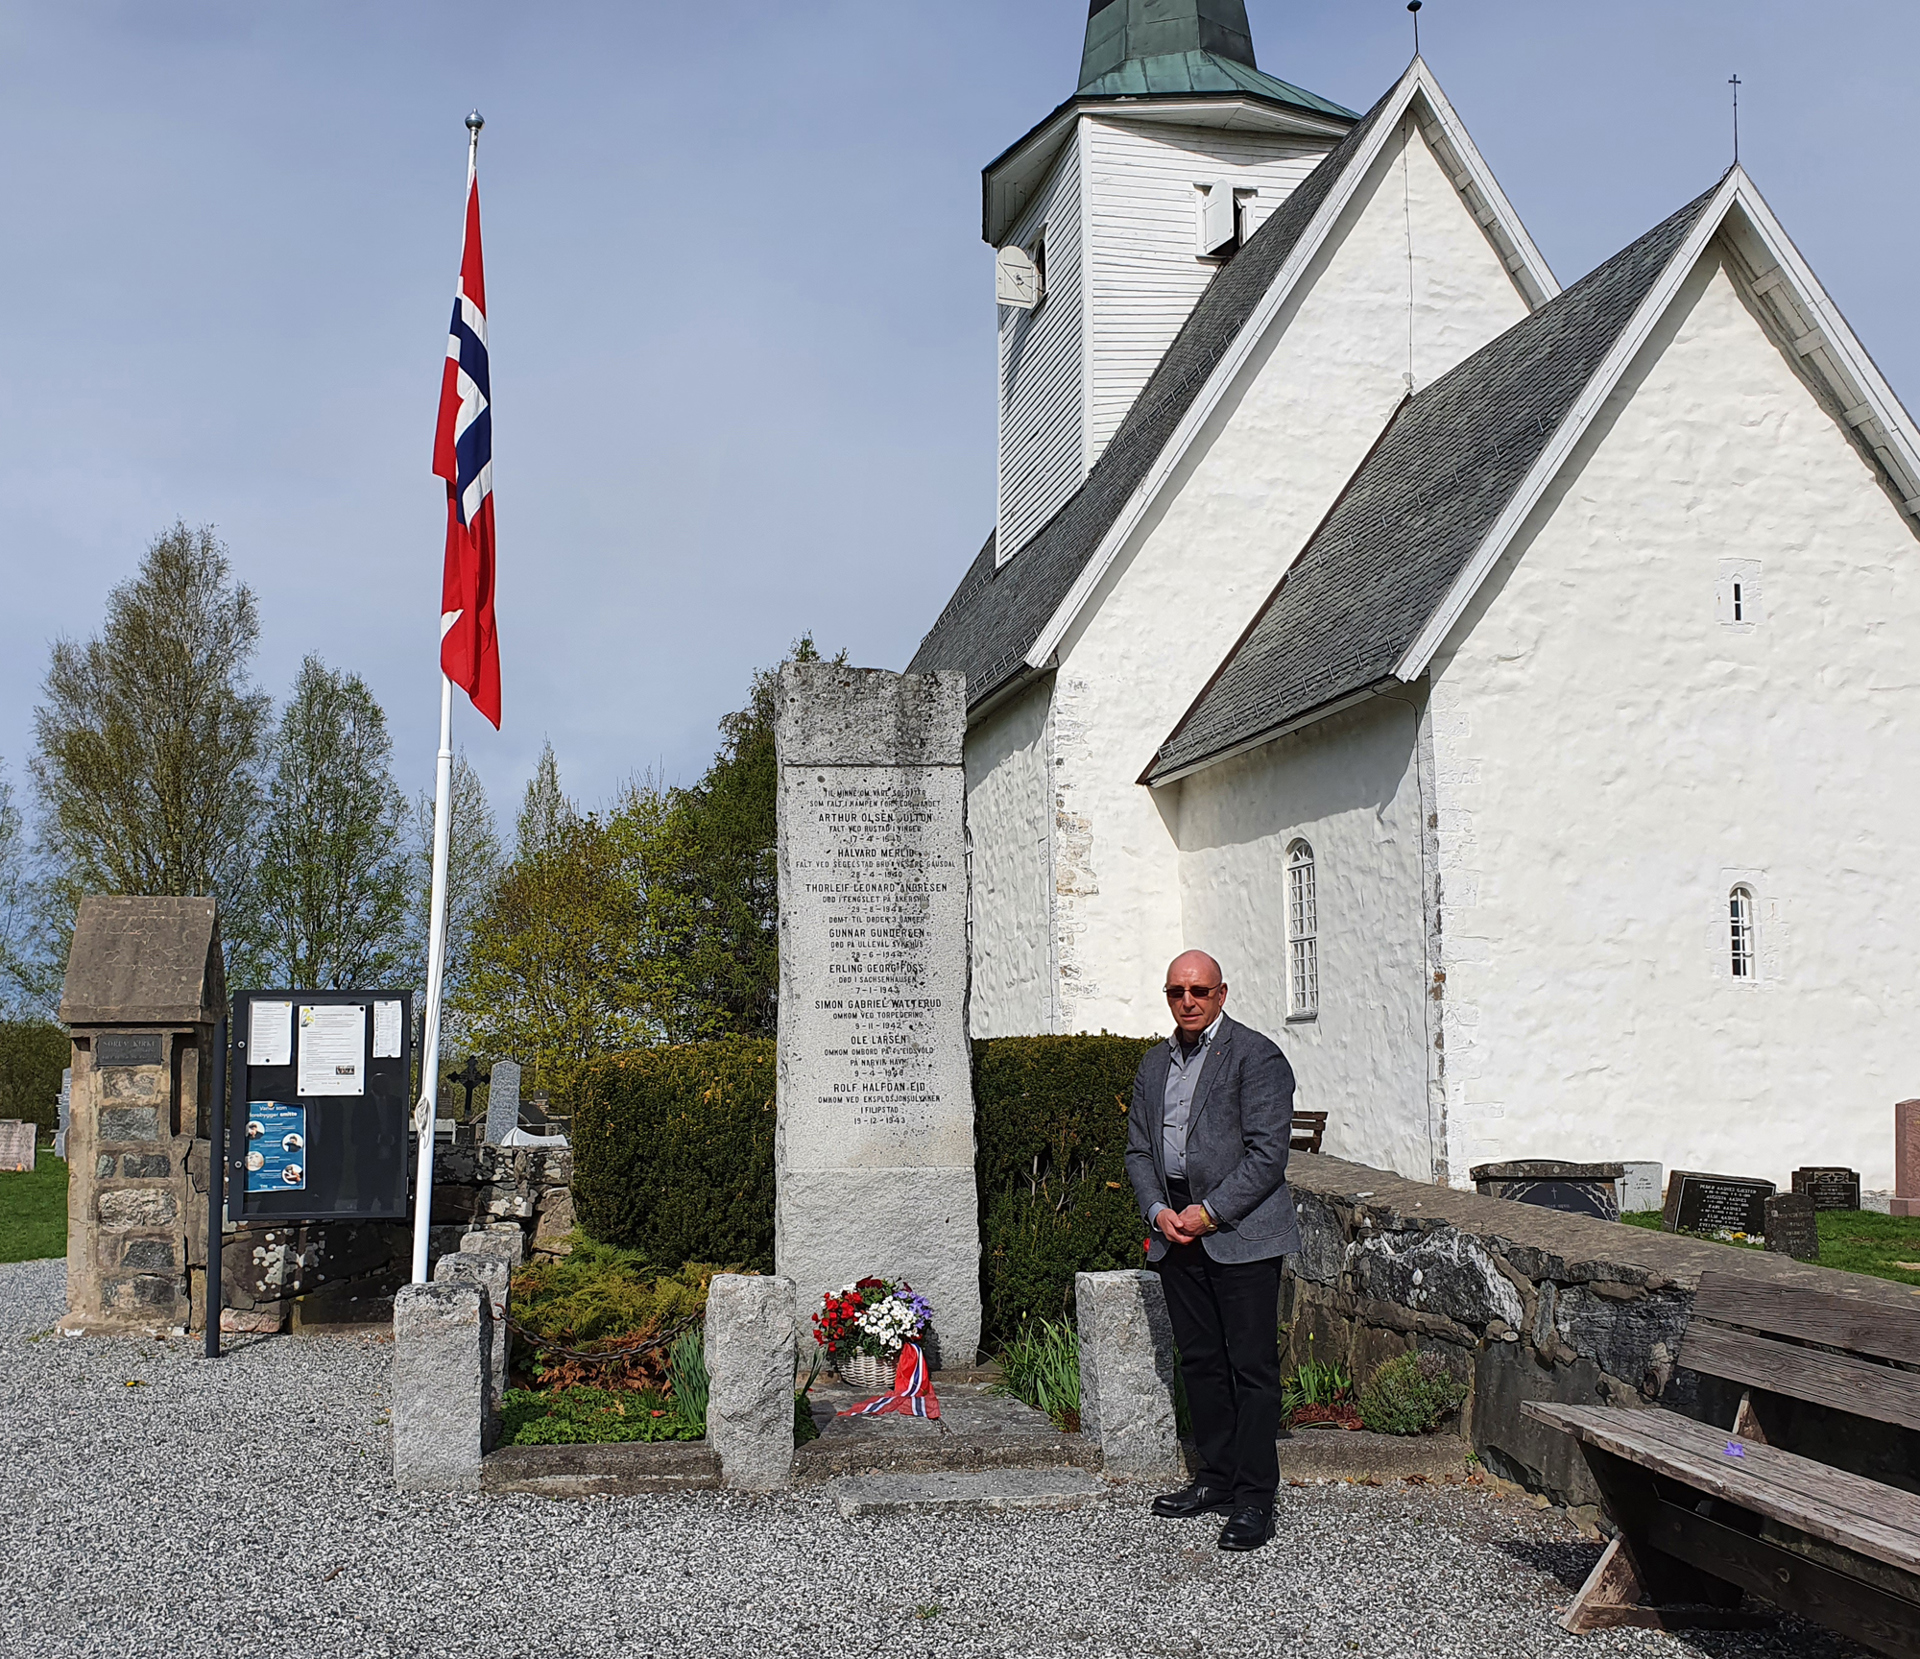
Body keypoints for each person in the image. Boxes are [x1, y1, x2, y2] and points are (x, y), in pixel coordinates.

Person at [1125, 949, 1298, 1552]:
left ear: (1221, 994)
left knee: (1250, 1369)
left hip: (1240, 1232)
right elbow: (1139, 1153)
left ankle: (1254, 1498)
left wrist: (1211, 1212)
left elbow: (1267, 1156)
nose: (1188, 1001)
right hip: (1175, 1229)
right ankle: (1217, 1479)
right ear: (1166, 996)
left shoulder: (1257, 1056)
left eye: (1199, 991)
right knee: (1199, 1361)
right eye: (1176, 992)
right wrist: (1159, 1210)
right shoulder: (1153, 1064)